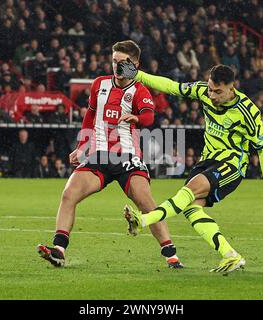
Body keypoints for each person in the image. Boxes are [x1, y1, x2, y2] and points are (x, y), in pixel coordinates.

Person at [117, 62, 263, 273]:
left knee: (190, 190)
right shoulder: (203, 90)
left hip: (231, 165)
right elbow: (171, 87)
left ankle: (144, 220)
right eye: (211, 89)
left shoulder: (248, 112)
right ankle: (230, 255)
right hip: (207, 160)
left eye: (218, 91)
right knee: (191, 208)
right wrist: (138, 75)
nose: (211, 95)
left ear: (232, 88)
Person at [37, 40, 183, 269]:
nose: (116, 66)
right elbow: (91, 114)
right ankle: (59, 250)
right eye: (114, 61)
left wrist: (136, 118)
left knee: (147, 204)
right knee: (69, 194)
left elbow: (149, 117)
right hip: (99, 156)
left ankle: (172, 256)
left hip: (127, 158)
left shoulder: (139, 90)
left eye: (123, 62)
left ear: (135, 64)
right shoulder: (99, 84)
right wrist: (82, 145)